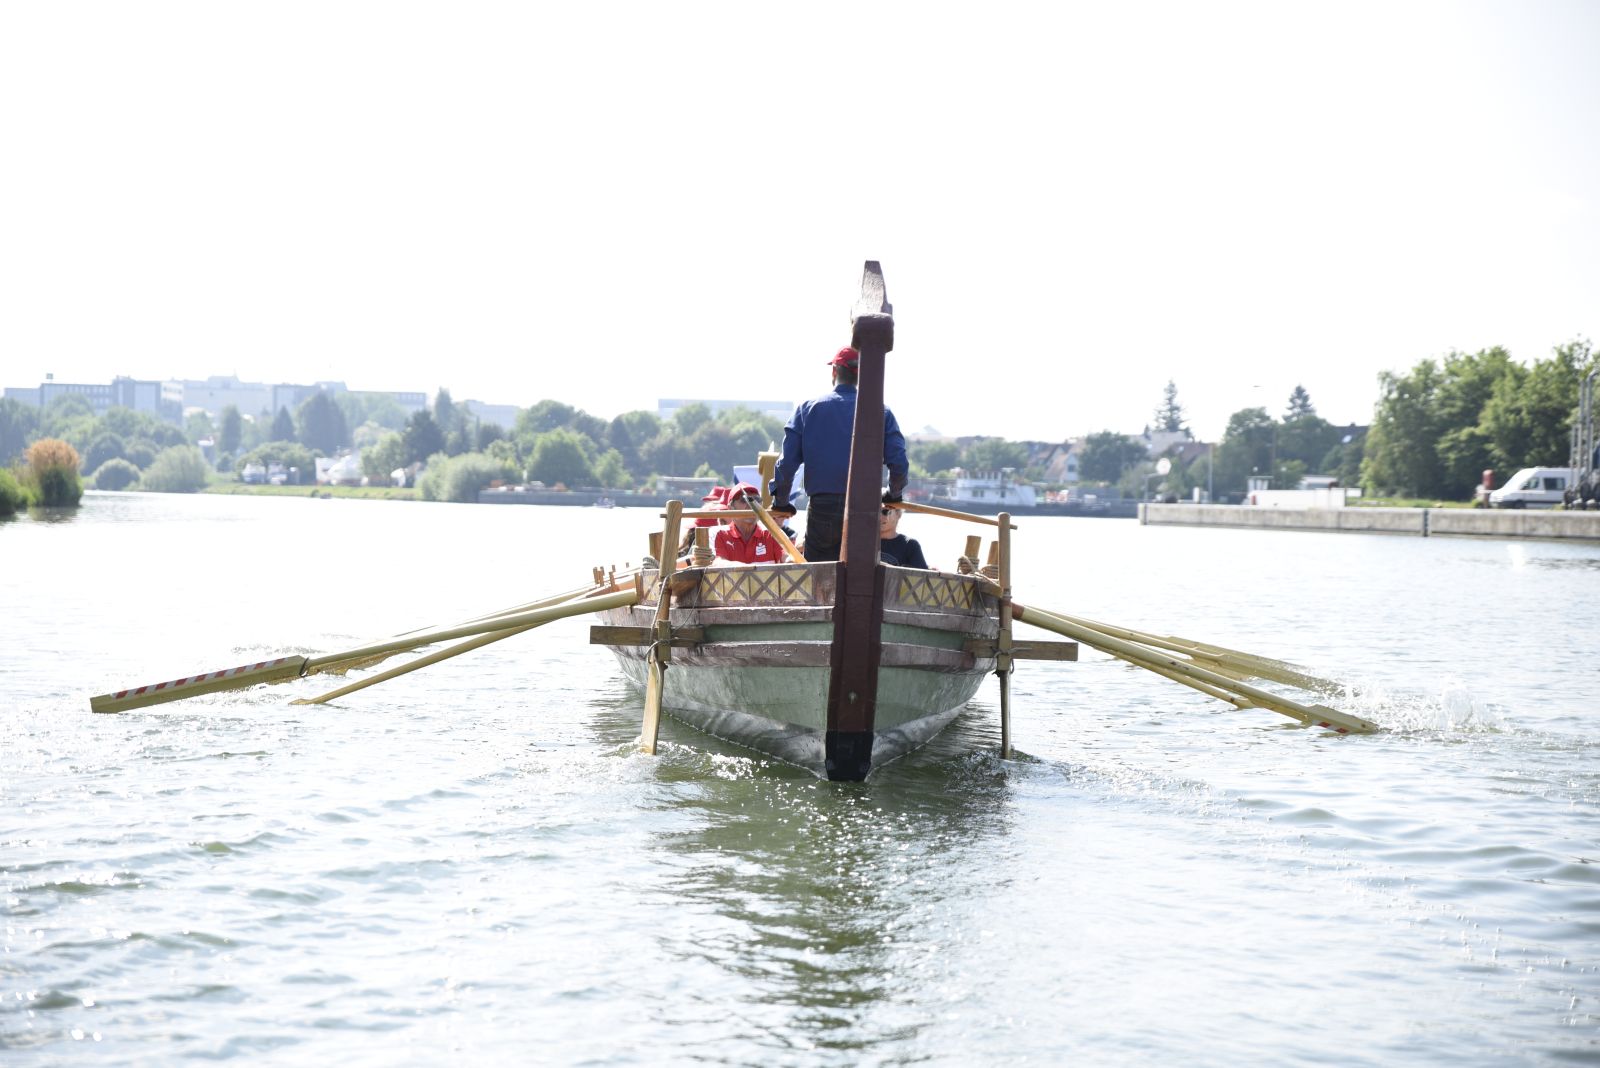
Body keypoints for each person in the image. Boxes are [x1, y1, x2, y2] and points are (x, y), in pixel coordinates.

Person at [768, 346, 909, 562]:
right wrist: (894, 495)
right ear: (860, 376)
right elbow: (898, 463)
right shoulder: (882, 412)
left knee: (820, 578)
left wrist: (781, 502)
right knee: (862, 576)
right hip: (865, 509)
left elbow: (787, 465)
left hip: (822, 508)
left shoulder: (807, 409)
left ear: (834, 372)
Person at [713, 484, 784, 565]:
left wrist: (791, 560)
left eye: (757, 500)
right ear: (730, 508)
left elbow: (788, 558)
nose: (752, 505)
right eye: (744, 500)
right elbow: (718, 562)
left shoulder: (772, 534)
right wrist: (747, 569)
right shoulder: (721, 535)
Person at [877, 505, 930, 569]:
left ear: (898, 514)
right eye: (876, 511)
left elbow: (922, 575)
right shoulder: (863, 542)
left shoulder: (910, 545)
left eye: (885, 512)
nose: (879, 516)